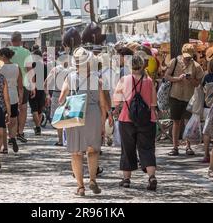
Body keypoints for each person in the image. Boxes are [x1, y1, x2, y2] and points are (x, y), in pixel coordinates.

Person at [58, 47, 112, 196]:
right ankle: (93, 180)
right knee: (93, 151)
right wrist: (103, 123)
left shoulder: (69, 78)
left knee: (76, 153)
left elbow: (61, 99)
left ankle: (80, 187)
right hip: (93, 115)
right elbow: (102, 104)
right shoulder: (97, 79)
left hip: (76, 115)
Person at [113, 53, 158, 190]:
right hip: (147, 119)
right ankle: (151, 177)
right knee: (147, 148)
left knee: (127, 149)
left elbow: (117, 100)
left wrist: (116, 110)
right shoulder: (149, 81)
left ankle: (126, 179)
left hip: (126, 119)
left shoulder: (124, 80)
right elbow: (154, 103)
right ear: (143, 65)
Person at [164, 43, 204, 156]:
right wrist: (177, 79)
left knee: (188, 122)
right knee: (176, 122)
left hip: (189, 97)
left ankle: (188, 146)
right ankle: (175, 147)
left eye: (190, 56)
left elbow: (198, 84)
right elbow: (166, 76)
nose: (187, 58)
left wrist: (191, 80)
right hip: (175, 95)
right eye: (186, 56)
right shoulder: (174, 62)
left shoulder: (196, 66)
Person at [45, 28, 79, 146]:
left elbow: (46, 82)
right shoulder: (73, 70)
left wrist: (46, 94)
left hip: (56, 94)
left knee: (58, 118)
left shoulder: (56, 69)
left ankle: (60, 140)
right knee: (69, 117)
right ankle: (69, 140)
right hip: (70, 95)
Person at [9, 31, 34, 143]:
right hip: (24, 84)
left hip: (8, 84)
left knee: (7, 109)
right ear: (21, 41)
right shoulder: (26, 52)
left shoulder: (5, 51)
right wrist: (33, 85)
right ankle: (20, 132)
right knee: (23, 108)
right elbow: (29, 70)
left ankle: (10, 134)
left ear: (11, 40)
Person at [0, 48, 22, 154]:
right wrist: (20, 98)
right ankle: (12, 137)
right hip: (13, 95)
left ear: (3, 56)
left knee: (2, 122)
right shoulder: (16, 67)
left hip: (1, 96)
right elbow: (20, 85)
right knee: (13, 120)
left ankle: (5, 147)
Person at [29, 49, 47, 136]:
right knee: (40, 110)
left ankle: (38, 126)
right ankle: (38, 126)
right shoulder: (44, 66)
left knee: (34, 110)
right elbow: (46, 80)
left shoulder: (32, 65)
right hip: (42, 89)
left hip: (34, 88)